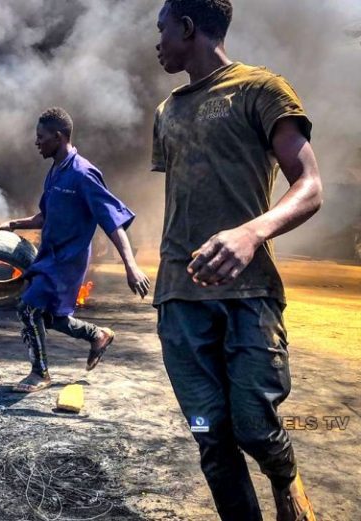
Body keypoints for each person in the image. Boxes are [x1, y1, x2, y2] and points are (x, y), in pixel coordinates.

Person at [152, 1, 322, 519]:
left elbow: (310, 186)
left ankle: (284, 477)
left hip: (249, 293)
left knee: (253, 426)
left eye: (161, 30)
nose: (157, 43)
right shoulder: (166, 111)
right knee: (210, 437)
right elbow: (186, 198)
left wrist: (252, 232)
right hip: (180, 299)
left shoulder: (261, 90)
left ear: (186, 27)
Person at [0, 107, 150, 393]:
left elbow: (112, 222)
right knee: (50, 317)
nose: (36, 142)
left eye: (41, 137)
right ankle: (97, 334)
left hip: (68, 259)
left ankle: (40, 373)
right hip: (50, 255)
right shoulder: (55, 171)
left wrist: (131, 266)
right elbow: (44, 216)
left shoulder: (84, 174)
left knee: (28, 308)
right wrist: (14, 224)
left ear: (58, 136)